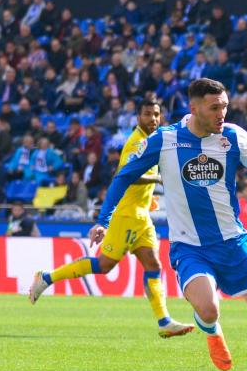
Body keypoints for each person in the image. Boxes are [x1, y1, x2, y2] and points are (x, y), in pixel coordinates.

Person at [87, 78, 247, 371]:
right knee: (208, 308)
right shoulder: (164, 140)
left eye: (225, 107)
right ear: (193, 108)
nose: (222, 113)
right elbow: (124, 177)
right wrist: (104, 220)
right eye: (214, 107)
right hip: (190, 245)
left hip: (233, 241)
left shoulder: (232, 136)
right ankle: (213, 331)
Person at [28, 97, 194, 339]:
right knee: (104, 265)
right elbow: (127, 176)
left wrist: (149, 198)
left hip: (141, 216)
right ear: (138, 117)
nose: (153, 119)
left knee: (153, 265)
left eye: (156, 114)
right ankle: (46, 278)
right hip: (126, 215)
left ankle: (164, 321)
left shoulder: (152, 141)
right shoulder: (136, 143)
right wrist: (159, 181)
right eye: (148, 114)